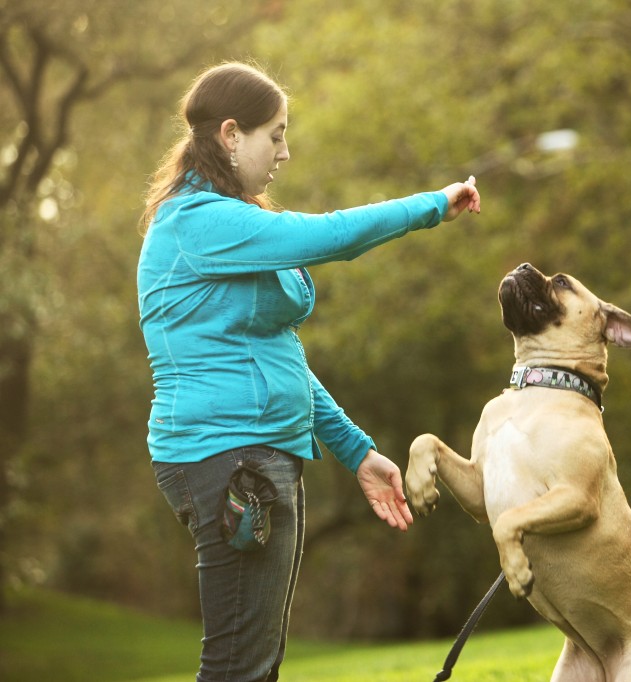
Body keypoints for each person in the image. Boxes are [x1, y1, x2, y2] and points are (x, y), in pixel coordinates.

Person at [137, 61, 481, 682]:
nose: (285, 152)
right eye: (276, 135)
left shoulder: (227, 220)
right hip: (227, 454)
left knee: (256, 665)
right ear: (232, 134)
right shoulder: (197, 222)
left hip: (255, 452)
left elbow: (278, 352)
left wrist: (355, 451)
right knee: (240, 668)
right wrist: (433, 205)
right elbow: (334, 237)